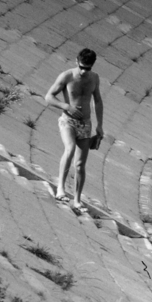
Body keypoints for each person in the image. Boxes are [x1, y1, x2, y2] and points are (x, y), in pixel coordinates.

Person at [43, 48, 103, 207]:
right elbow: (48, 96)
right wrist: (66, 106)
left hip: (85, 123)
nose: (84, 71)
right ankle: (60, 189)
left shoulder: (95, 78)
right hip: (68, 120)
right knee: (69, 148)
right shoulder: (66, 76)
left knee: (80, 164)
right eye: (81, 67)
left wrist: (100, 126)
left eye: (87, 68)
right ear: (76, 61)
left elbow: (97, 101)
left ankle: (77, 199)